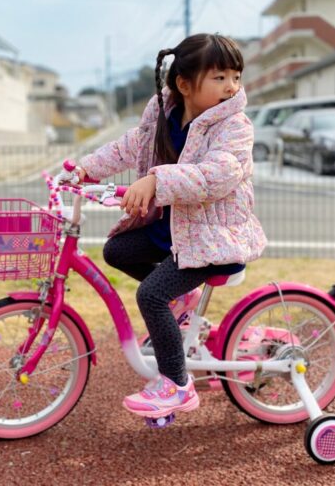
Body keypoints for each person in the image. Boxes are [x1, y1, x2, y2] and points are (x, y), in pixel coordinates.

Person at [75, 33, 267, 419]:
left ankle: (177, 386)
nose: (231, 86)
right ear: (184, 84)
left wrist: (156, 182)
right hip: (178, 232)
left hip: (214, 241)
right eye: (219, 77)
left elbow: (218, 175)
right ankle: (184, 303)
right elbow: (132, 146)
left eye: (236, 76)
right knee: (117, 250)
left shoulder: (234, 126)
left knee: (151, 295)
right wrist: (86, 168)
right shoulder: (164, 113)